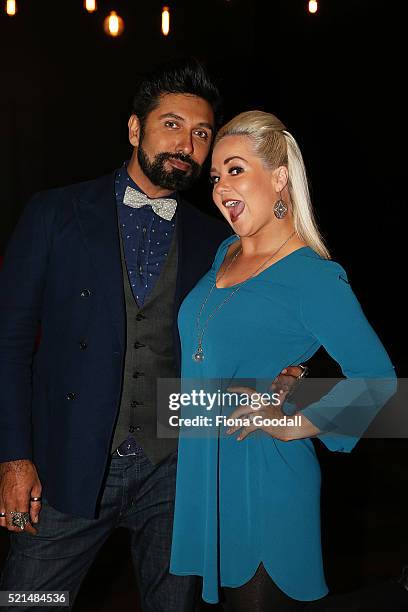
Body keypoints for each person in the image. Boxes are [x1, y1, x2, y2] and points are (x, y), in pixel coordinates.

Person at [0, 57, 235, 612]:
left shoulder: (216, 240)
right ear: (135, 129)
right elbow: (9, 342)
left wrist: (291, 373)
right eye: (172, 124)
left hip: (176, 470)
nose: (187, 144)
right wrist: (13, 458)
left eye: (201, 133)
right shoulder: (55, 213)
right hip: (66, 467)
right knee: (28, 603)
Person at [169, 111, 396, 611]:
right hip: (211, 471)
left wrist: (298, 423)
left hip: (264, 481)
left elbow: (380, 384)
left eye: (234, 170)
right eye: (215, 177)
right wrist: (299, 369)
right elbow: (251, 339)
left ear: (279, 178)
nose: (220, 186)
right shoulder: (226, 253)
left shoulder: (314, 277)